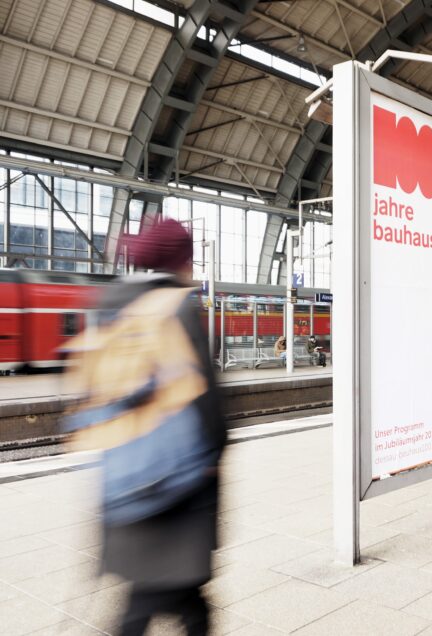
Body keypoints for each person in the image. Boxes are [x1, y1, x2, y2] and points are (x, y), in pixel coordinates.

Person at [65, 219, 225, 635]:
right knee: (171, 600)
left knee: (159, 596)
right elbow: (210, 408)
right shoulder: (176, 307)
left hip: (121, 476)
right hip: (175, 485)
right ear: (184, 260)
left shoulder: (108, 305)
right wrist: (214, 460)